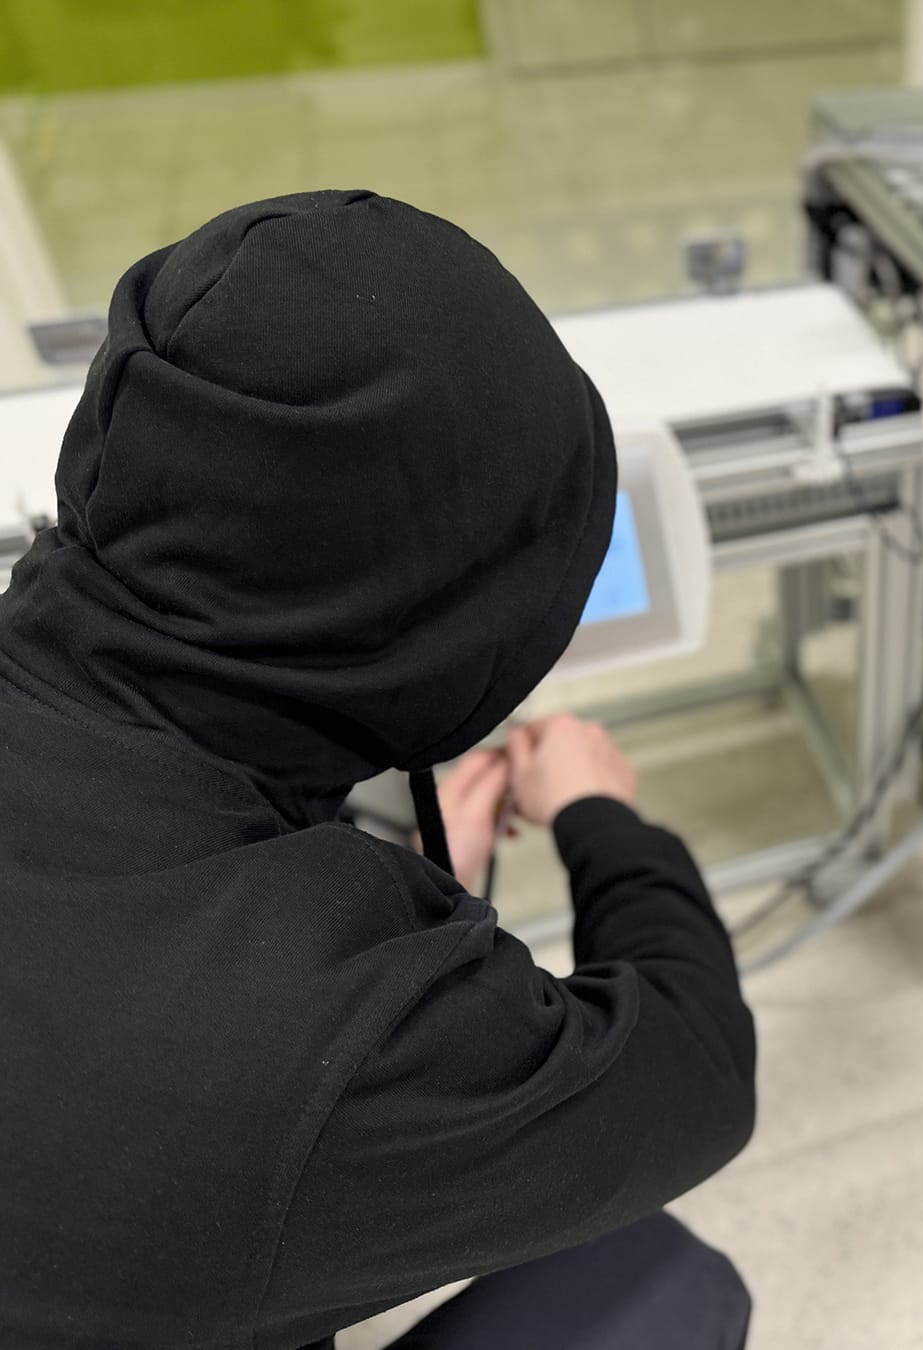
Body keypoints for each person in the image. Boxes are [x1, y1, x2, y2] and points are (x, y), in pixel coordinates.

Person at [0, 191, 757, 1349]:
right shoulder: (340, 1041)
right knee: (665, 1284)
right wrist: (603, 817)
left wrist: (344, 869)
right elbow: (699, 1067)